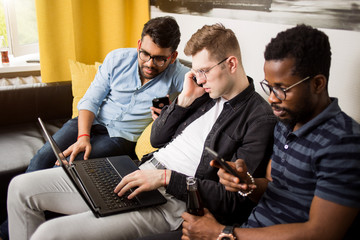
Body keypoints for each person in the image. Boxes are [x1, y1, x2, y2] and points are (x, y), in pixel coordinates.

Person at [6, 23, 277, 240]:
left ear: (231, 64)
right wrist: (183, 101)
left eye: (204, 71)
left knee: (49, 234)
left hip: (171, 199)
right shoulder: (201, 93)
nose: (199, 79)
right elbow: (158, 137)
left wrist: (165, 178)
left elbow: (234, 200)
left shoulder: (259, 118)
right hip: (139, 171)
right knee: (19, 187)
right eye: (196, 72)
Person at [0, 16, 189, 240]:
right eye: (145, 54)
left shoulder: (180, 75)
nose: (149, 63)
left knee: (75, 167)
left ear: (173, 57)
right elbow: (90, 100)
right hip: (91, 122)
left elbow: (208, 90)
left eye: (159, 59)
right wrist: (83, 136)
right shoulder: (117, 59)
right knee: (42, 157)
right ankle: (8, 232)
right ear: (139, 45)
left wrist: (171, 111)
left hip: (121, 137)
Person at [181, 24, 360, 240]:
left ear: (318, 84)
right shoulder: (285, 125)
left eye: (282, 89)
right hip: (249, 229)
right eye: (269, 86)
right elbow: (274, 187)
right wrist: (246, 184)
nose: (272, 98)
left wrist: (221, 233)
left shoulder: (344, 142)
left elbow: (321, 232)